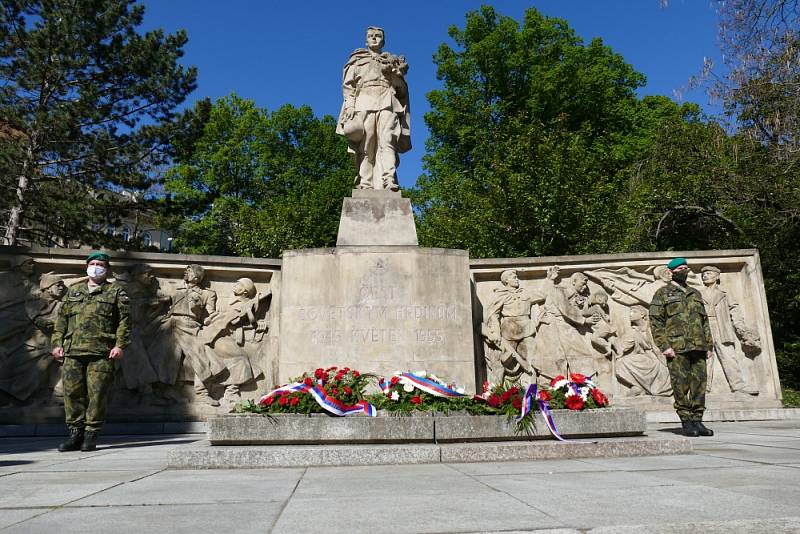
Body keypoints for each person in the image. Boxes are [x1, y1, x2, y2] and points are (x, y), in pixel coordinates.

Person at [51, 252, 130, 451]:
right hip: (72, 351)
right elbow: (61, 321)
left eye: (100, 264)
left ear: (107, 269)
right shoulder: (74, 291)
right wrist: (56, 344)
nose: (96, 267)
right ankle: (75, 433)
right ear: (86, 267)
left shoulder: (116, 292)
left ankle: (91, 435)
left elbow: (125, 322)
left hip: (101, 351)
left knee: (97, 394)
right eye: (92, 263)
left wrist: (120, 345)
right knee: (72, 393)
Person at [336, 26, 411, 191]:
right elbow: (348, 87)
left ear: (383, 41)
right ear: (366, 39)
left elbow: (402, 91)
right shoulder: (356, 60)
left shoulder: (392, 61)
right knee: (366, 143)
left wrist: (396, 76)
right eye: (371, 36)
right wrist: (350, 106)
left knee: (388, 140)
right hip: (364, 101)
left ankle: (389, 179)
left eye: (378, 36)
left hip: (387, 101)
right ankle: (366, 182)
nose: (374, 38)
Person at [649, 257, 714, 437]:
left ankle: (697, 420)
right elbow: (656, 321)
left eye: (686, 267)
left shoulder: (695, 293)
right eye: (680, 268)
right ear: (672, 272)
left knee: (699, 385)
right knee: (680, 384)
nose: (684, 270)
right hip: (677, 347)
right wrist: (664, 345)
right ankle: (686, 421)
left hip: (698, 346)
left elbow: (704, 321)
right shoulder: (663, 294)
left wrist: (709, 345)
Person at [700, 265, 759, 396]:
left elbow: (735, 311)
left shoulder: (725, 294)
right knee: (704, 358)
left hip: (722, 327)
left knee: (729, 357)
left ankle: (738, 386)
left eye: (708, 273)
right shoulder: (698, 294)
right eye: (703, 274)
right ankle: (703, 388)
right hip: (704, 327)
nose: (705, 276)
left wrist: (741, 328)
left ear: (717, 276)